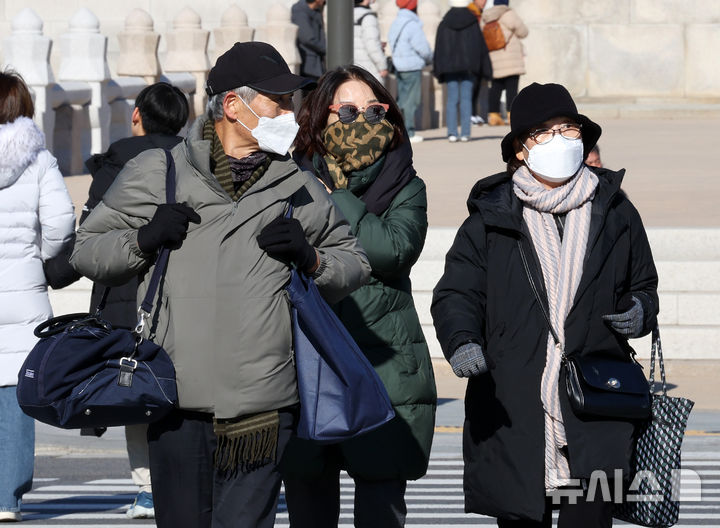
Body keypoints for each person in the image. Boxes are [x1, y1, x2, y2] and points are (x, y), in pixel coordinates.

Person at [70, 42, 371, 528]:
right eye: (279, 103)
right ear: (234, 105)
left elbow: (353, 263)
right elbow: (86, 251)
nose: (291, 114)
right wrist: (143, 239)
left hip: (264, 405)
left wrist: (311, 256)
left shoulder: (298, 183)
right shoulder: (159, 172)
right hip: (177, 397)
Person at [431, 82, 659, 527]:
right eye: (542, 133)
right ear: (519, 149)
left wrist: (639, 311)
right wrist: (462, 342)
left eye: (568, 129)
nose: (559, 140)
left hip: (596, 401)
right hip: (511, 400)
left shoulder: (616, 212)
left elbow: (644, 284)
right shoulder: (488, 220)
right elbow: (457, 293)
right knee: (520, 516)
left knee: (590, 517)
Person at [281, 65, 437, 528]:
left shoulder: (405, 182)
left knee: (381, 510)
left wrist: (338, 198)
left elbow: (390, 251)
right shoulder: (290, 178)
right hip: (308, 361)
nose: (362, 119)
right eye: (347, 110)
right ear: (319, 116)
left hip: (384, 363)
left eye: (374, 109)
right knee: (309, 504)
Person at [80, 82, 190, 520]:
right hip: (182, 282)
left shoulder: (119, 160)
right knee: (180, 384)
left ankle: (146, 488)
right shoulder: (195, 159)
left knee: (135, 385)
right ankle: (183, 478)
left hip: (125, 287)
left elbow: (92, 229)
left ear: (137, 116)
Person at [0, 70, 75, 522]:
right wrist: (40, 258)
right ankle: (6, 497)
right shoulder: (38, 160)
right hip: (22, 290)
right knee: (13, 395)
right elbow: (62, 224)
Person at [434, 0, 492, 142]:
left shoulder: (444, 23)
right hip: (469, 67)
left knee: (452, 99)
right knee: (466, 99)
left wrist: (439, 69)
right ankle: (465, 133)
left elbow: (439, 48)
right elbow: (479, 47)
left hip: (449, 68)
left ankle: (452, 133)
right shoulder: (472, 22)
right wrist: (485, 68)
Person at [388, 0, 433, 144]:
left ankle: (398, 130)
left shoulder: (396, 22)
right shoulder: (412, 25)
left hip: (399, 66)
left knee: (402, 100)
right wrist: (430, 59)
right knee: (411, 101)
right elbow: (423, 48)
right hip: (412, 66)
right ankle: (409, 132)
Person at [482, 0, 528, 126]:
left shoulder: (486, 16)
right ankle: (511, 115)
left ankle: (493, 115)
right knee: (512, 89)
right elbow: (523, 32)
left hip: (493, 58)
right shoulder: (509, 14)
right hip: (510, 57)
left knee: (495, 87)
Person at [291, 0, 327, 83]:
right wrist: (326, 49)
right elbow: (307, 39)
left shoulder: (316, 10)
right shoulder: (300, 11)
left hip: (316, 63)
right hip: (308, 65)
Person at [353, 0, 388, 82]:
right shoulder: (368, 17)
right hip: (369, 67)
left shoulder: (348, 15)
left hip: (354, 65)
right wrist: (382, 67)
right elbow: (372, 46)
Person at [468, 0, 488, 126]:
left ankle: (474, 114)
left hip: (479, 56)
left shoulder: (480, 14)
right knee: (470, 88)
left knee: (476, 88)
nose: (484, 2)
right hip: (471, 57)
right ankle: (469, 115)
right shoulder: (470, 13)